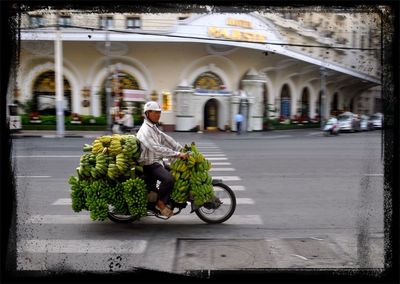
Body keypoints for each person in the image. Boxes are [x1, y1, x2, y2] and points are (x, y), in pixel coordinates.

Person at [136, 101, 189, 217]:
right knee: (169, 179)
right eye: (156, 113)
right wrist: (177, 154)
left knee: (175, 173)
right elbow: (157, 149)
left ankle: (165, 198)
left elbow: (166, 139)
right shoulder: (145, 130)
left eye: (159, 113)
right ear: (148, 113)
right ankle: (160, 203)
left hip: (157, 161)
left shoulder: (153, 127)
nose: (158, 115)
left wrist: (181, 148)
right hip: (149, 164)